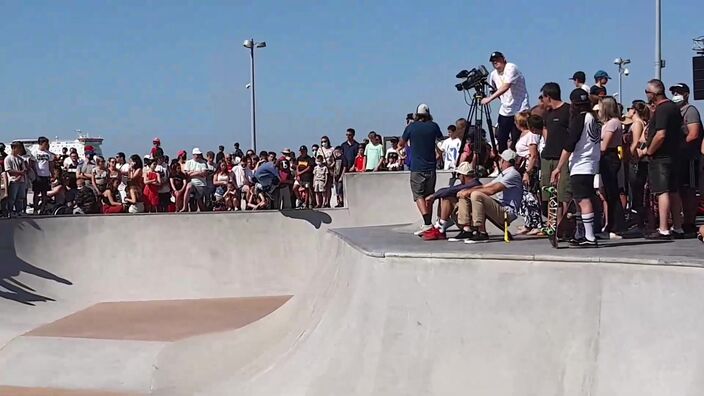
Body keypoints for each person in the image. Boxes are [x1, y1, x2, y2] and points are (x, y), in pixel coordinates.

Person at [551, 88, 601, 247]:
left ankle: (590, 236)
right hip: (591, 163)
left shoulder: (580, 119)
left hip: (581, 164)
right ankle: (583, 233)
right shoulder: (592, 118)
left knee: (583, 199)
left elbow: (569, 144)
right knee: (582, 199)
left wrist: (558, 167)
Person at [639, 79, 685, 239]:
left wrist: (648, 151)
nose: (646, 95)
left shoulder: (662, 109)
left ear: (653, 94)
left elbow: (660, 134)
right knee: (673, 191)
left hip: (661, 157)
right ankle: (678, 227)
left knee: (662, 191)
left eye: (647, 92)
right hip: (673, 155)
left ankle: (663, 228)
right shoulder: (673, 108)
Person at [455, 150, 524, 241]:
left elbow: (492, 190)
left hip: (507, 212)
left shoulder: (512, 174)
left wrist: (470, 191)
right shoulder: (504, 174)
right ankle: (466, 229)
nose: (499, 162)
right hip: (500, 207)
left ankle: (482, 232)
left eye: (500, 159)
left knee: (476, 195)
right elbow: (485, 186)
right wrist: (466, 191)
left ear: (505, 161)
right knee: (466, 194)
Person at [398, 103, 444, 236]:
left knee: (418, 195)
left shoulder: (411, 127)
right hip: (431, 167)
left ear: (417, 115)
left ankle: (427, 223)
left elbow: (401, 143)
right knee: (429, 195)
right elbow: (440, 141)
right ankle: (427, 224)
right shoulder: (434, 126)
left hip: (417, 167)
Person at [670, 83, 702, 236]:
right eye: (674, 92)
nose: (675, 94)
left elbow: (694, 133)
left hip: (689, 157)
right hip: (678, 158)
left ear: (686, 94)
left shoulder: (690, 111)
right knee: (680, 190)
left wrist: (680, 147)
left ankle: (690, 221)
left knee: (689, 190)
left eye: (678, 92)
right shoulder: (676, 111)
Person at [420, 162, 482, 240]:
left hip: (472, 221)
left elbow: (450, 190)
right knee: (444, 196)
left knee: (447, 198)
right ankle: (440, 226)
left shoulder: (474, 184)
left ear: (463, 175)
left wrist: (433, 196)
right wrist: (435, 196)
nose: (458, 177)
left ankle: (441, 227)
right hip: (466, 218)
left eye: (458, 175)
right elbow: (446, 190)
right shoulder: (469, 183)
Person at [482, 51, 530, 152]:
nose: (496, 62)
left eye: (498, 60)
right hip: (505, 109)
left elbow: (506, 86)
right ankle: (503, 159)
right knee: (501, 137)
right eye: (493, 61)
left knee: (518, 137)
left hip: (520, 108)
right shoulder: (493, 74)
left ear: (503, 59)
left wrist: (489, 99)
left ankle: (517, 159)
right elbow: (493, 89)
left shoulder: (511, 67)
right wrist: (503, 100)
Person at [539, 82, 572, 208]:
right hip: (547, 156)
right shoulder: (547, 113)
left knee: (563, 194)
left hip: (562, 157)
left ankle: (563, 224)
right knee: (547, 192)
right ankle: (550, 224)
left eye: (543, 97)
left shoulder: (568, 110)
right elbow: (545, 130)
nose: (542, 100)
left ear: (548, 96)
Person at [598, 96, 626, 235]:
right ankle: (611, 223)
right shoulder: (609, 123)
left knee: (612, 192)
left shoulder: (613, 123)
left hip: (609, 156)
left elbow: (605, 145)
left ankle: (617, 225)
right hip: (607, 157)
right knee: (608, 193)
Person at [514, 112, 544, 235]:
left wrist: (528, 172)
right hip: (522, 168)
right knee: (525, 198)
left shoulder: (531, 136)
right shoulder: (523, 135)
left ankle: (537, 224)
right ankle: (528, 223)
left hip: (529, 168)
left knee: (532, 197)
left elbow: (533, 155)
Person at [627, 100, 651, 230]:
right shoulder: (640, 123)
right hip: (638, 160)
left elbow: (635, 143)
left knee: (636, 190)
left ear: (634, 110)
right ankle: (639, 218)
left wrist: (630, 155)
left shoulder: (637, 123)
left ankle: (638, 220)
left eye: (629, 109)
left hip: (637, 160)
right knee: (637, 190)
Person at [31, 136, 55, 213]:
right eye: (45, 143)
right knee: (36, 193)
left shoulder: (49, 154)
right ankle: (35, 209)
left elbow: (51, 165)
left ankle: (42, 209)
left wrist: (53, 174)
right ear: (41, 143)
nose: (47, 145)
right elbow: (32, 164)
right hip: (38, 175)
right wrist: (35, 175)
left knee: (44, 193)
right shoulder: (34, 152)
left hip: (46, 175)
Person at [4, 141, 27, 216]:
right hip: (13, 180)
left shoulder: (21, 159)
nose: (20, 150)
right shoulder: (8, 159)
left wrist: (20, 175)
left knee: (20, 197)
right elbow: (9, 170)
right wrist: (19, 173)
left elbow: (24, 170)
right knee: (12, 197)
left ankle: (19, 211)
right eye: (19, 148)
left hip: (21, 180)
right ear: (14, 148)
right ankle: (10, 211)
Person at [183, 148, 208, 212]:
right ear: (193, 155)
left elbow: (204, 174)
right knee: (188, 187)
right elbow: (187, 174)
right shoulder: (188, 162)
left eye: (199, 154)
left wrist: (192, 172)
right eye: (196, 154)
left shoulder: (203, 162)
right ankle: (184, 207)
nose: (198, 156)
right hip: (192, 182)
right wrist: (198, 173)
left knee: (202, 206)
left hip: (202, 184)